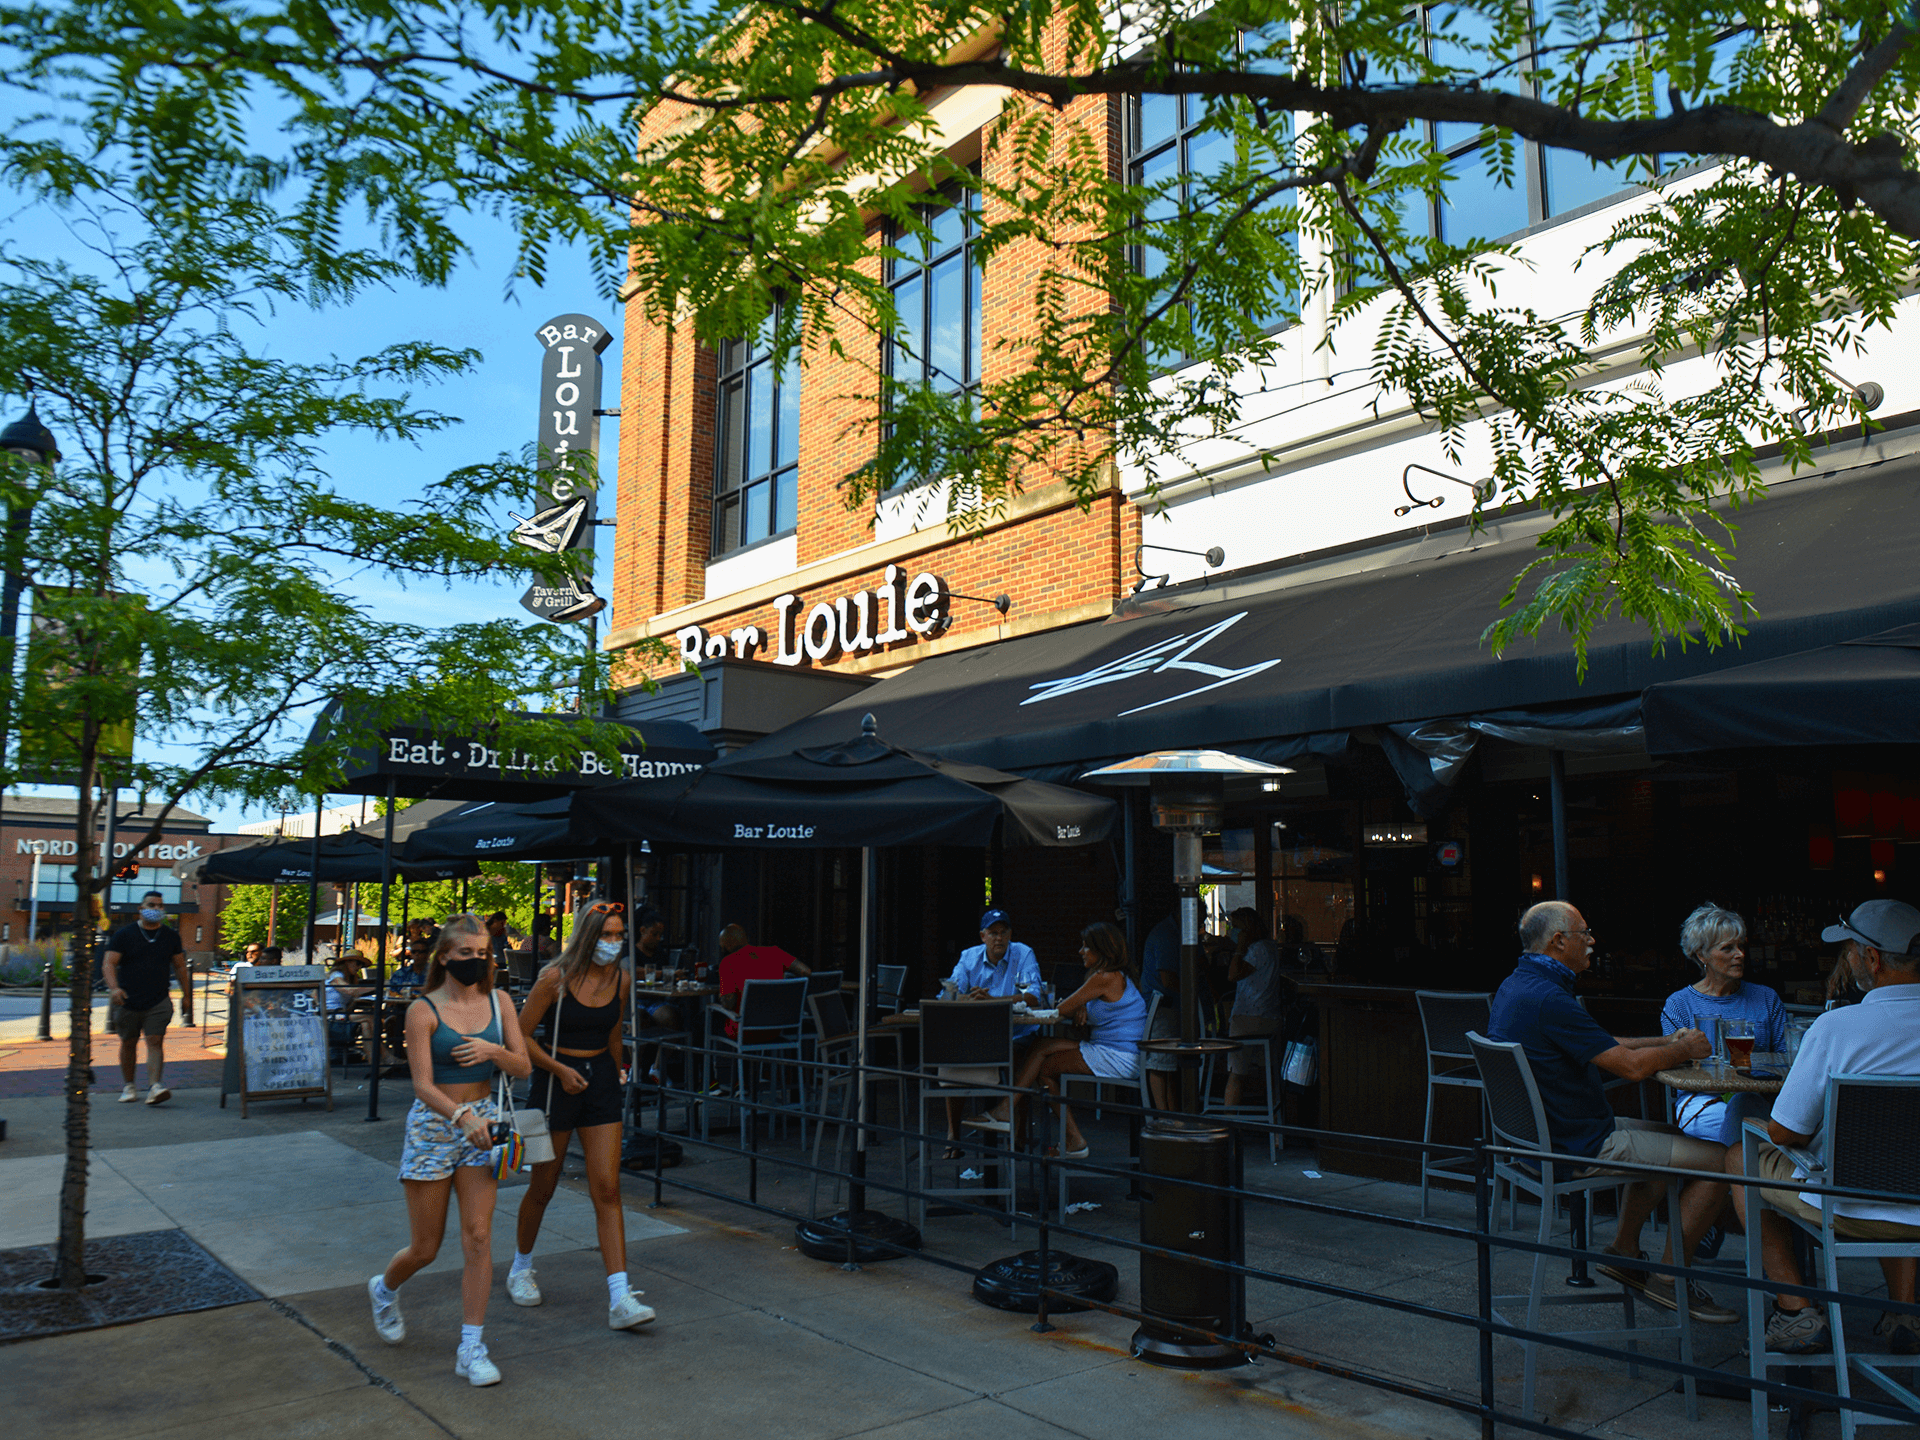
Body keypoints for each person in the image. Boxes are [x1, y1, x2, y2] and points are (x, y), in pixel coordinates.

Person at [1489, 899, 1738, 1323]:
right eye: (1584, 933)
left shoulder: (1519, 986)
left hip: (1551, 1137)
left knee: (1676, 1138)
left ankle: (1624, 1252)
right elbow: (1632, 1068)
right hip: (1578, 1144)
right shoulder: (1549, 997)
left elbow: (1606, 1044)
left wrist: (1665, 1043)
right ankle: (1668, 1278)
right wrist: (1683, 1049)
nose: (1592, 941)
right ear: (1558, 941)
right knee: (1725, 1160)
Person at [1725, 899, 1920, 1356]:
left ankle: (1796, 1313)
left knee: (1741, 1154)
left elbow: (1784, 1133)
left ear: (1871, 959)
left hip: (1850, 1207)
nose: (1848, 959)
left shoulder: (1838, 1027)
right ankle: (1904, 1312)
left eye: (1850, 950)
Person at [370, 914, 531, 1386]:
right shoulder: (423, 1010)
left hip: (487, 1123)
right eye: (465, 954)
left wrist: (492, 1052)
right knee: (426, 1247)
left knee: (479, 1237)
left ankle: (471, 1346)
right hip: (437, 1125)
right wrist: (461, 1117)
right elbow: (422, 1085)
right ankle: (384, 1289)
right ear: (444, 956)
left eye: (482, 954)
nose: (475, 962)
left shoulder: (500, 1002)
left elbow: (521, 1065)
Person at [510, 900, 655, 1330]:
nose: (614, 943)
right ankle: (521, 1267)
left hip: (601, 1081)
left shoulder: (621, 978)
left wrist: (620, 1077)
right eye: (606, 935)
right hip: (553, 1083)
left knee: (608, 1189)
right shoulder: (554, 979)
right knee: (544, 1185)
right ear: (588, 937)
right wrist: (557, 1069)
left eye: (618, 935)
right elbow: (520, 1036)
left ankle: (620, 1295)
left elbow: (614, 1032)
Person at [1010, 921, 1148, 1157]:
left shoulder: (1103, 977)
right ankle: (1008, 1110)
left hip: (1117, 1057)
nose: (1080, 952)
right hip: (1115, 1051)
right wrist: (1083, 1004)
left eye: (1086, 947)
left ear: (1101, 950)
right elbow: (1080, 1016)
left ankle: (1071, 1137)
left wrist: (1079, 1004)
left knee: (1044, 1068)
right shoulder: (1118, 976)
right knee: (1041, 1046)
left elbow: (1062, 1008)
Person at [1660, 903, 1787, 1146]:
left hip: (1758, 1098)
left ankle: (1731, 1174)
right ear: (1701, 955)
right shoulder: (1679, 1004)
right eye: (1727, 948)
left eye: (1741, 946)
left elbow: (1785, 1059)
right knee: (1744, 1127)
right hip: (1701, 1100)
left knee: (1745, 1110)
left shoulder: (1766, 998)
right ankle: (1742, 1169)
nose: (1739, 954)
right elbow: (1675, 1066)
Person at [942, 908, 1044, 1156]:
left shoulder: (1023, 953)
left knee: (1022, 1059)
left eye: (1003, 932)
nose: (998, 938)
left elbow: (1034, 995)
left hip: (1015, 1035)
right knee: (951, 1058)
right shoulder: (969, 957)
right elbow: (947, 994)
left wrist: (994, 1001)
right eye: (993, 933)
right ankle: (953, 1133)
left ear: (1010, 934)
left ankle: (1018, 1133)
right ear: (982, 936)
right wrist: (968, 998)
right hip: (978, 1036)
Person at [103, 891, 192, 1106]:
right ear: (141, 909)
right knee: (128, 1042)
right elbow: (109, 963)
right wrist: (114, 988)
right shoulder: (124, 934)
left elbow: (180, 967)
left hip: (158, 999)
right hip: (127, 999)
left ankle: (154, 1086)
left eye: (160, 906)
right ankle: (129, 1085)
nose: (156, 909)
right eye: (151, 905)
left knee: (155, 1040)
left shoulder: (171, 936)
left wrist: (187, 995)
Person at [1221, 907, 1281, 1112]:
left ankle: (1227, 1123)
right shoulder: (1270, 947)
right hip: (1270, 1018)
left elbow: (1233, 975)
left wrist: (1239, 948)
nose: (1232, 931)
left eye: (1235, 927)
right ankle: (1273, 1122)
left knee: (1236, 1074)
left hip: (1249, 1019)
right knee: (1267, 1074)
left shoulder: (1256, 950)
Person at [715, 922, 809, 1038]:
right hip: (775, 1029)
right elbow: (805, 971)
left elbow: (729, 1003)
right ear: (746, 938)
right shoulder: (775, 953)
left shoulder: (727, 962)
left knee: (705, 1019)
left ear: (726, 946)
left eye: (722, 946)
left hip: (743, 1031)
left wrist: (721, 994)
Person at [1138, 912, 1180, 1109]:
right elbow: (1168, 979)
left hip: (1166, 1005)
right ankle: (1165, 1118)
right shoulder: (1167, 935)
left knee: (1168, 1063)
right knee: (1160, 1062)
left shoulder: (1171, 932)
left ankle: (1172, 1117)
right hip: (1163, 1006)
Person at [326, 953, 375, 1055]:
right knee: (369, 1018)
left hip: (339, 1015)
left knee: (366, 1023)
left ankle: (373, 1060)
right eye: (357, 963)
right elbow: (350, 991)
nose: (359, 967)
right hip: (330, 1016)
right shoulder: (336, 975)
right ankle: (383, 1057)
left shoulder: (349, 978)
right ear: (347, 962)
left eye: (361, 964)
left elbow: (350, 999)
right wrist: (376, 987)